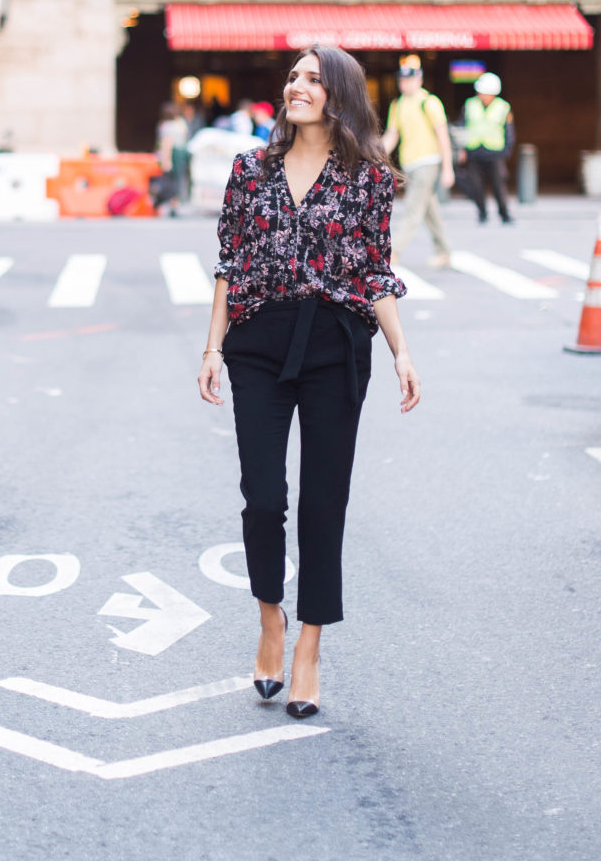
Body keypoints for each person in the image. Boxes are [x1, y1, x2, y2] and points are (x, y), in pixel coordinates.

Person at [198, 45, 420, 719]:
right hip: (258, 343)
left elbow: (372, 271)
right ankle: (271, 619)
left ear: (339, 96)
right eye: (294, 76)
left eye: (314, 79)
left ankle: (309, 646)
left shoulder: (367, 180)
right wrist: (211, 346)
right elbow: (230, 264)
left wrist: (401, 352)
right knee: (263, 497)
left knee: (324, 503)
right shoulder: (249, 170)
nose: (297, 86)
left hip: (335, 344)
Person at [382, 59, 454, 268]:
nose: (405, 83)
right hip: (410, 164)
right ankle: (444, 251)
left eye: (410, 79)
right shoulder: (398, 104)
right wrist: (373, 155)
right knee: (429, 209)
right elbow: (392, 135)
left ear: (419, 79)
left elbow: (442, 136)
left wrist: (447, 168)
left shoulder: (429, 102)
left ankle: (393, 253)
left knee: (413, 207)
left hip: (428, 162)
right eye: (402, 80)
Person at [458, 72, 516, 224]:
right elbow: (463, 127)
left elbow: (509, 131)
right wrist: (462, 149)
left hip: (494, 152)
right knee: (476, 186)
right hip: (474, 150)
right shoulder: (469, 104)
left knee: (499, 186)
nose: (482, 95)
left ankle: (504, 214)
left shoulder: (503, 107)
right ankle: (482, 213)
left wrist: (506, 151)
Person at [154, 102, 188, 216]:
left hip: (172, 154)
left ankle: (166, 202)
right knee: (178, 180)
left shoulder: (166, 126)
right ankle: (175, 203)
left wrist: (166, 160)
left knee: (169, 181)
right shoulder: (180, 124)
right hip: (180, 154)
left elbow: (167, 144)